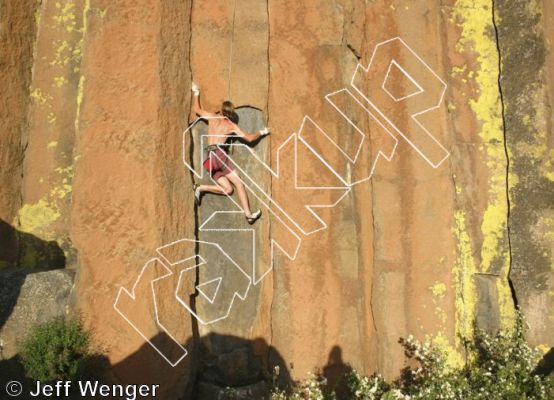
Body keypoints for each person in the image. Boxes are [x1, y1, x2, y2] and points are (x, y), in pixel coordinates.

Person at [191, 82, 270, 225]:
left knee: (228, 189)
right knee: (239, 184)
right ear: (231, 113)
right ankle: (248, 214)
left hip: (208, 159)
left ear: (221, 110)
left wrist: (196, 91)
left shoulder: (212, 117)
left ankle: (201, 188)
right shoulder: (230, 126)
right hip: (219, 156)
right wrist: (262, 132)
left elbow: (196, 109)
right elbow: (250, 138)